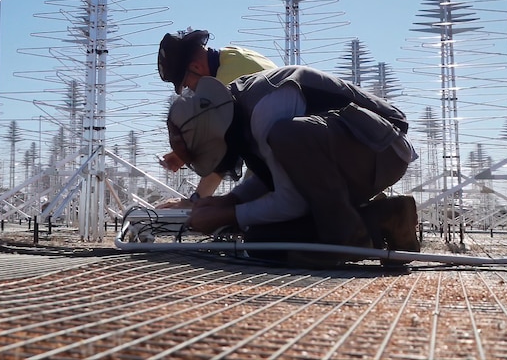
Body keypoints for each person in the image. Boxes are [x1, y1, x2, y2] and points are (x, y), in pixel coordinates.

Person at [165, 65, 420, 259]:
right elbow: (275, 175)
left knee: (286, 136)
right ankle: (387, 218)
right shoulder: (235, 108)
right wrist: (229, 201)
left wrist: (229, 214)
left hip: (383, 148)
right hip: (359, 152)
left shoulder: (267, 109)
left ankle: (349, 235)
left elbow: (291, 200)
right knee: (262, 241)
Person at [156, 29, 277, 205]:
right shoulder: (233, 55)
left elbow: (222, 155)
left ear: (195, 67)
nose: (193, 91)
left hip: (287, 154)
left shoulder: (226, 85)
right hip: (298, 139)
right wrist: (185, 153)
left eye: (188, 84)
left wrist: (194, 203)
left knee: (251, 215)